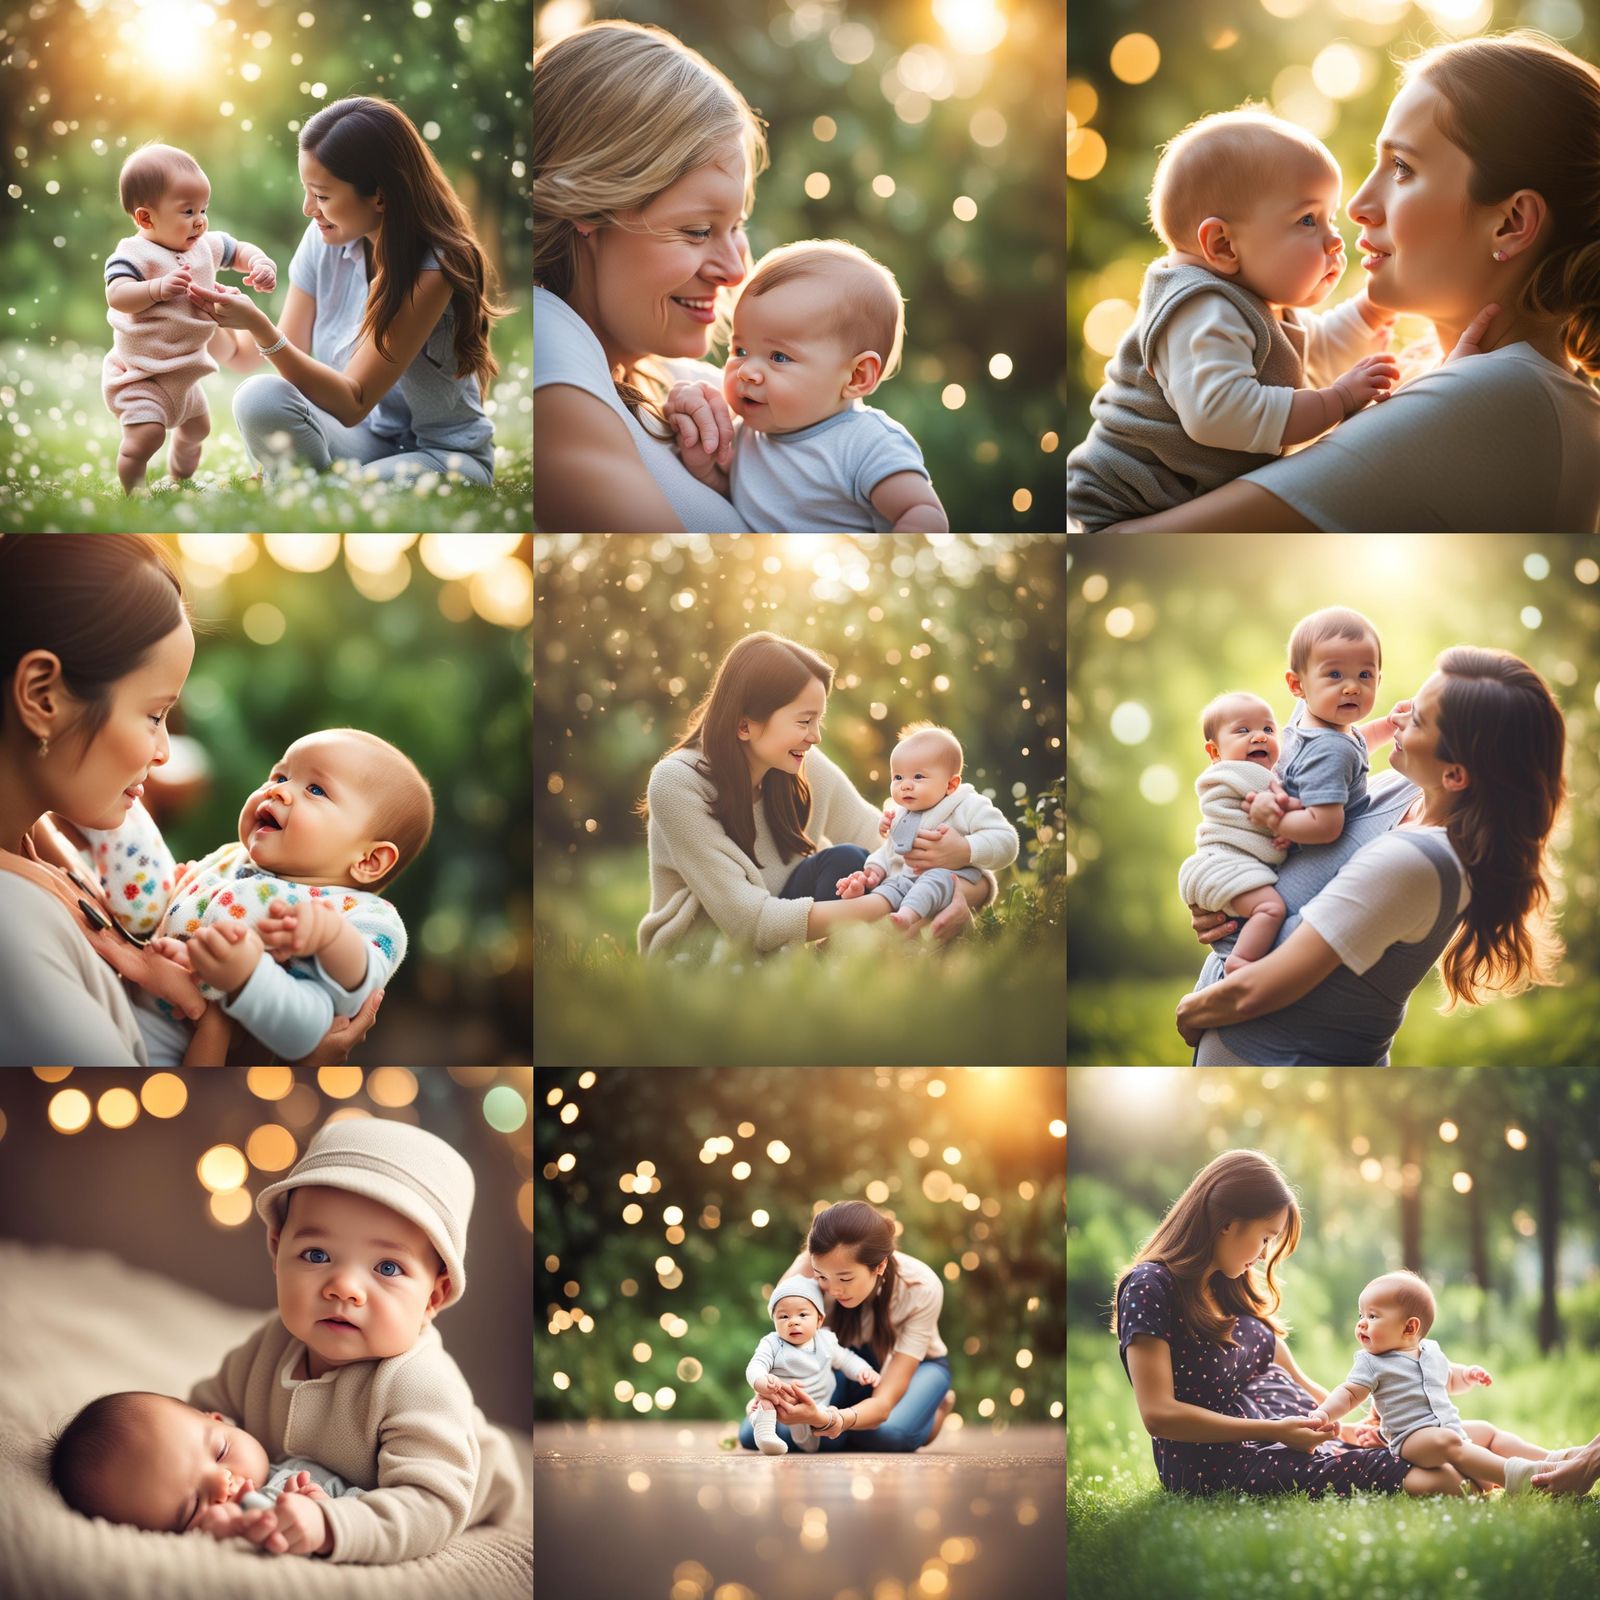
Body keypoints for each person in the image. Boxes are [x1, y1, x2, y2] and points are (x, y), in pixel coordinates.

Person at [1102, 32, 1600, 533]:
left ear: (1511, 222)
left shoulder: (1502, 391)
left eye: (1402, 167)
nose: (1358, 207)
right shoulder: (1523, 393)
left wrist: (1431, 405)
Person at [0, 534, 380, 1067]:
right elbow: (137, 1132)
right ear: (43, 696)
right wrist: (237, 1022)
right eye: (155, 715)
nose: (162, 752)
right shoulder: (11, 931)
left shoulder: (34, 846)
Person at [1176, 646, 1566, 1065]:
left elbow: (1262, 988)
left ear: (1454, 774)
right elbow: (1292, 862)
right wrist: (1224, 896)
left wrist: (1191, 1012)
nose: (1398, 718)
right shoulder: (1400, 790)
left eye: (1416, 720)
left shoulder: (1419, 861)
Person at [176, 1119, 522, 1560]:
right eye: (317, 1255)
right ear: (277, 1251)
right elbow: (204, 1417)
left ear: (433, 1296)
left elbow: (430, 1504)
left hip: (468, 1477)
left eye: (388, 1268)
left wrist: (331, 1525)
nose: (345, 1287)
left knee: (460, 1476)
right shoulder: (267, 1348)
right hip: (313, 1481)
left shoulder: (420, 1384)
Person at [1067, 107, 1400, 530]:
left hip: (1173, 499)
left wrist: (1370, 313)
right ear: (1223, 244)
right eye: (1307, 220)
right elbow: (1220, 413)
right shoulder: (1201, 307)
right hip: (1123, 501)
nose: (1334, 239)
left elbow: (1311, 356)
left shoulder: (1255, 303)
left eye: (1329, 218)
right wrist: (1336, 401)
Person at [188, 96, 504, 486]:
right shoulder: (324, 240)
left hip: (442, 455)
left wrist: (261, 326)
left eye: (321, 195)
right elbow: (244, 356)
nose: (308, 208)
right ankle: (306, 483)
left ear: (380, 195)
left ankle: (297, 484)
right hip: (362, 440)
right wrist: (200, 314)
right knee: (257, 398)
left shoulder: (434, 267)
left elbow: (354, 401)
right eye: (306, 191)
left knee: (356, 487)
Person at [1117, 1150, 1468, 1497]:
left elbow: (1288, 1370)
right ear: (1227, 1223)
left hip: (1283, 1438)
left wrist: (1346, 1426)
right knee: (1444, 1478)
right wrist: (1275, 1432)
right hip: (1223, 1461)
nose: (1265, 1253)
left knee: (1451, 1445)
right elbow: (1159, 1414)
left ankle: (1520, 1472)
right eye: (1266, 1237)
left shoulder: (1225, 1282)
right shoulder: (1151, 1286)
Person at [79, 726, 431, 1067]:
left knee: (312, 1022)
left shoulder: (364, 914)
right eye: (279, 777)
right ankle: (100, 806)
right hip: (130, 974)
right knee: (142, 858)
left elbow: (352, 993)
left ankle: (247, 974)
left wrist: (327, 940)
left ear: (369, 861)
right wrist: (182, 886)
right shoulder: (233, 858)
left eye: (316, 790)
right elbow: (164, 907)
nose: (277, 791)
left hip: (170, 1046)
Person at [533, 20, 765, 531]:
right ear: (589, 204)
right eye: (699, 230)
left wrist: (729, 475)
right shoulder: (544, 335)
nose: (736, 271)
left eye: (737, 226)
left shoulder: (683, 387)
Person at [636, 632, 999, 956]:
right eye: (803, 721)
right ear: (745, 725)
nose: (815, 736)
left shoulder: (801, 764)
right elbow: (752, 923)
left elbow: (889, 847)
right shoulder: (676, 784)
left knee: (851, 862)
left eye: (818, 721)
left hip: (786, 949)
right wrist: (891, 902)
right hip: (706, 958)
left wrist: (964, 883)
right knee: (858, 873)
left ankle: (851, 967)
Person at [661, 240, 948, 531]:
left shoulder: (867, 444)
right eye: (740, 351)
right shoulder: (746, 433)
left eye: (779, 357)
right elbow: (731, 493)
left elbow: (923, 512)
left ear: (857, 376)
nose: (747, 372)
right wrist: (704, 466)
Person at [1300, 1270, 1588, 1494]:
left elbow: (1449, 1379)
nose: (1361, 1323)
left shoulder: (1431, 1352)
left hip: (1448, 1429)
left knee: (1487, 1432)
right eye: (1360, 1315)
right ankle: (1521, 1477)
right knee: (1450, 1441)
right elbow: (1349, 1394)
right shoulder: (1371, 1362)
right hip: (1412, 1439)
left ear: (1410, 1327)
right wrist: (1325, 1412)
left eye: (1372, 1316)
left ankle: (1556, 1460)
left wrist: (1467, 1375)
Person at [101, 143, 278, 492]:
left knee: (198, 429)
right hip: (142, 374)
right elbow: (117, 296)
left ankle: (180, 479)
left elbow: (239, 249)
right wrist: (156, 289)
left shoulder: (204, 245)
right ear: (145, 218)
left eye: (203, 208)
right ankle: (135, 491)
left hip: (184, 373)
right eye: (187, 211)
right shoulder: (134, 254)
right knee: (146, 437)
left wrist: (260, 263)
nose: (200, 220)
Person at [738, 1201, 955, 1455]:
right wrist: (776, 1393)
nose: (833, 1289)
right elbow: (787, 1341)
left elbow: (883, 1404)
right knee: (755, 1435)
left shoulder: (921, 1286)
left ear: (880, 1266)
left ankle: (935, 1408)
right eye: (822, 1277)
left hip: (916, 1365)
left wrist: (833, 1420)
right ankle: (854, 1417)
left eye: (845, 1278)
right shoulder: (806, 1270)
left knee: (889, 1436)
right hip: (839, 1362)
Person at [48, 1391, 361, 1539]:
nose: (221, 1484)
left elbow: (380, 1511)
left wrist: (327, 1515)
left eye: (221, 1452)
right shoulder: (234, 1532)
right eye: (194, 1506)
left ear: (220, 1420)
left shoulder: (297, 1469)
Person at [837, 721, 1016, 933]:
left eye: (918, 776)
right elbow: (891, 852)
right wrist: (874, 870)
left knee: (933, 880)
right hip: (905, 882)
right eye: (898, 777)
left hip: (949, 880)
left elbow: (1007, 840)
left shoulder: (967, 805)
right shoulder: (902, 813)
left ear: (951, 785)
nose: (905, 785)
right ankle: (854, 915)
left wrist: (966, 848)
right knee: (887, 887)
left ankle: (907, 917)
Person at [1176, 692, 1292, 973]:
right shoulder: (1243, 775)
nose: (1260, 736)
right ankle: (1239, 962)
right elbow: (1290, 806)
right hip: (1224, 866)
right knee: (1270, 909)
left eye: (1268, 729)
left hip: (1215, 866)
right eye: (1243, 730)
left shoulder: (1241, 777)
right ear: (1215, 752)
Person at [745, 1276, 880, 1456]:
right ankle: (764, 1428)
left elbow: (846, 1359)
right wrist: (762, 1380)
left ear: (819, 1320)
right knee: (766, 1404)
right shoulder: (772, 1343)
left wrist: (863, 1370)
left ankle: (766, 1421)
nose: (793, 1321)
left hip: (819, 1405)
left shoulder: (825, 1340)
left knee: (825, 1436)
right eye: (784, 1316)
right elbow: (755, 1365)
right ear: (774, 1321)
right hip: (783, 1404)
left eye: (802, 1315)